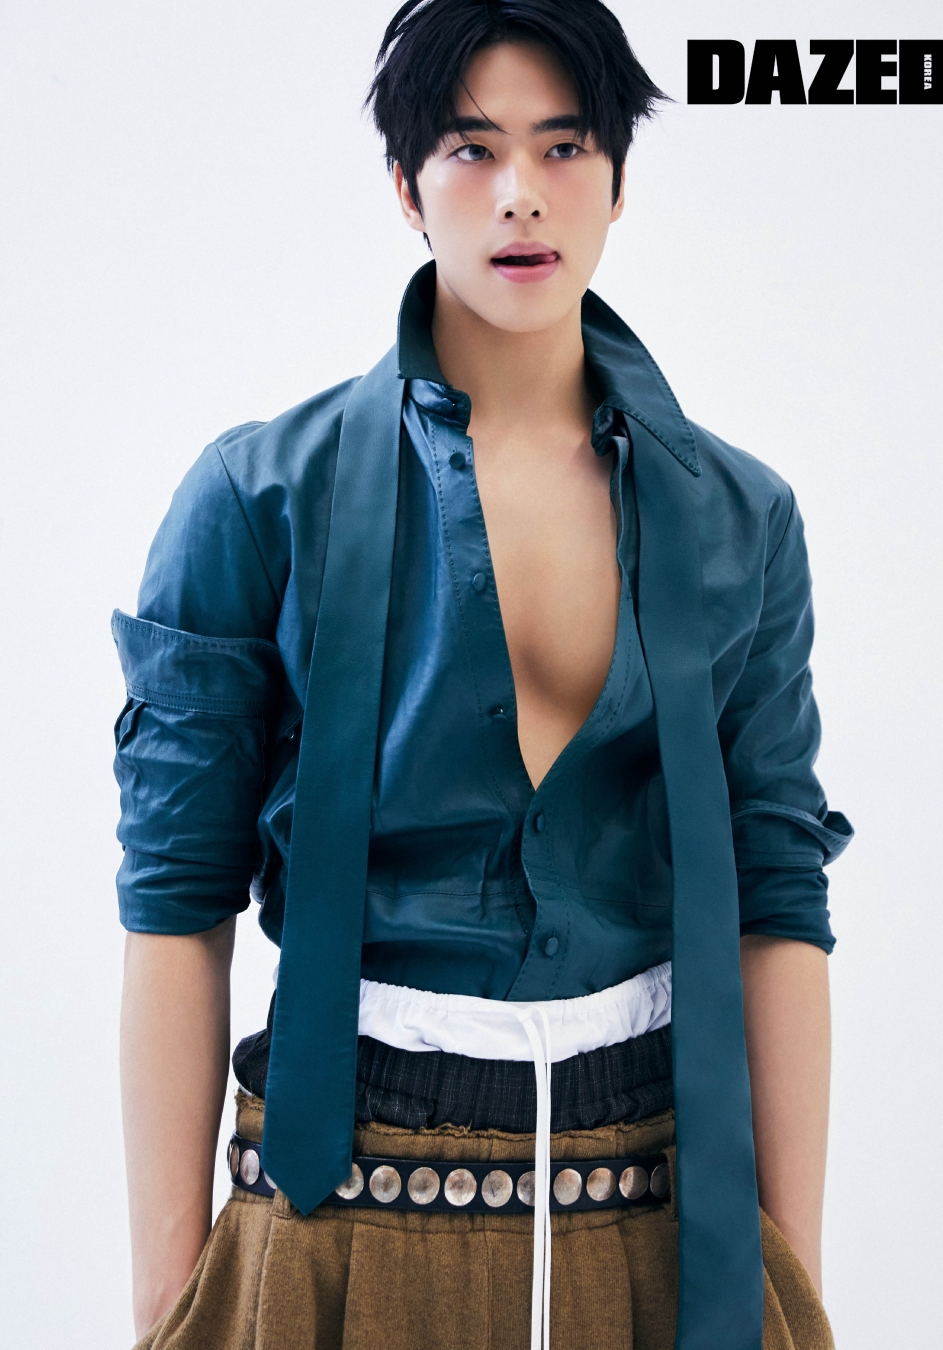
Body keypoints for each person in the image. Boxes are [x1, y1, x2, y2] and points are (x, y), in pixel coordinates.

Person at [112, 2, 852, 1347]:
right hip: (341, 1214)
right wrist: (172, 1305)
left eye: (564, 147)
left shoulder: (741, 514)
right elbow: (176, 898)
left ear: (618, 181)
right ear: (406, 186)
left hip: (663, 1216)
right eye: (472, 149)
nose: (521, 193)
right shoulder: (259, 495)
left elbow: (777, 897)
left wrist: (787, 1277)